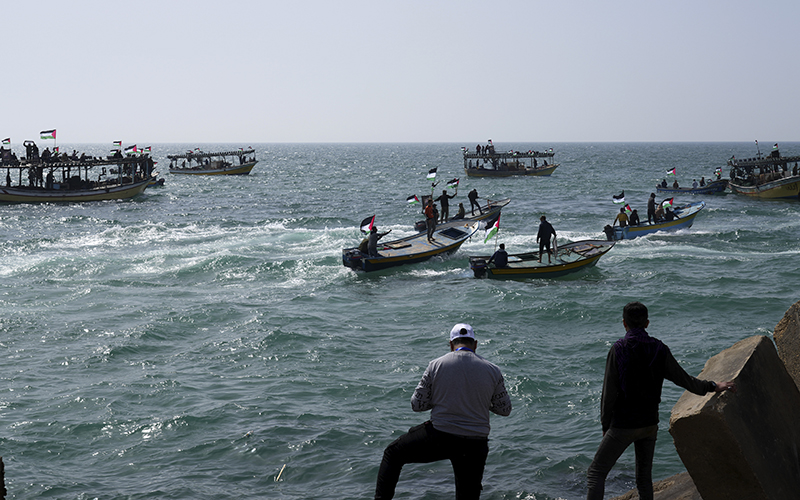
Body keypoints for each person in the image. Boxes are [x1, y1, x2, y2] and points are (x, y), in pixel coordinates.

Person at [586, 302, 736, 500]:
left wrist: (606, 425)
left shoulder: (619, 349)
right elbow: (685, 380)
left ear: (624, 323)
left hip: (623, 425)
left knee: (596, 473)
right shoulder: (659, 349)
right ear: (647, 323)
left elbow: (609, 393)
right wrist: (713, 386)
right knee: (644, 479)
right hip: (649, 424)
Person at [373, 323, 512, 500]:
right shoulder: (493, 370)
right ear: (475, 344)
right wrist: (481, 401)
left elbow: (417, 405)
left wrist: (442, 399)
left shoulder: (436, 365)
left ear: (450, 344)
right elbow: (505, 409)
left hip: (441, 436)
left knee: (392, 454)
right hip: (475, 443)